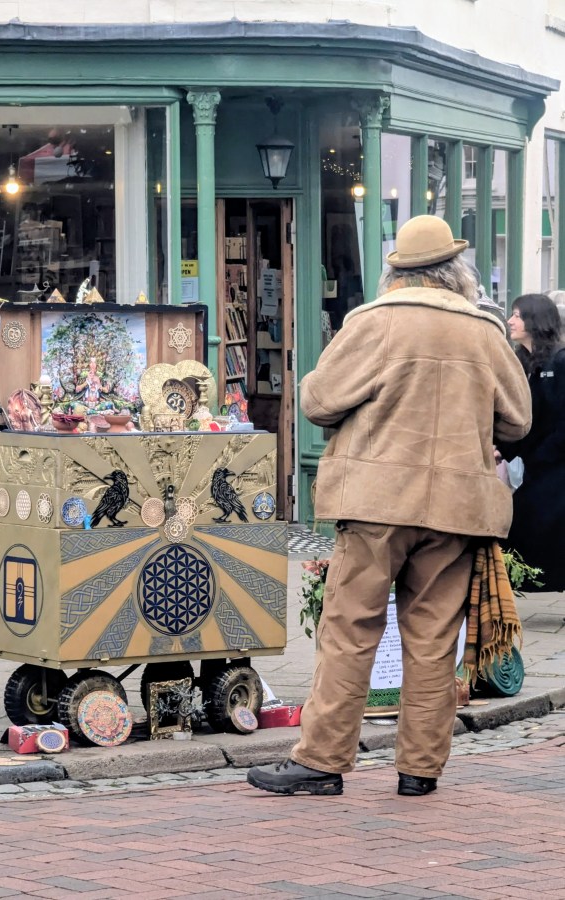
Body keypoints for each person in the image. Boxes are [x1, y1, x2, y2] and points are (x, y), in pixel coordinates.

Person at [247, 215, 531, 798]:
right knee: (432, 641)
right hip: (457, 505)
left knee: (350, 629)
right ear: (456, 271)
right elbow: (518, 419)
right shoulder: (485, 329)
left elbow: (320, 401)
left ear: (397, 268)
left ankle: (323, 762)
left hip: (375, 500)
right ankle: (419, 770)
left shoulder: (375, 321)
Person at [497, 293, 565, 591]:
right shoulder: (522, 363)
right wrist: (503, 448)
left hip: (556, 465)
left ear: (535, 320)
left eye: (517, 315)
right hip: (539, 463)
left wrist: (541, 455)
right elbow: (523, 419)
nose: (511, 321)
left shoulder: (560, 362)